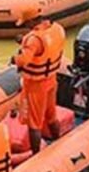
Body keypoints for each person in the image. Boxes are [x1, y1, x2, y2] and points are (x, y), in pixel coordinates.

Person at [14, 10, 66, 154]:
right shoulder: (57, 29)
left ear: (31, 21)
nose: (26, 26)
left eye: (26, 23)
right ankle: (58, 140)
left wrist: (16, 58)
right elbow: (45, 49)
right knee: (51, 114)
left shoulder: (33, 40)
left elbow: (23, 61)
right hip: (51, 79)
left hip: (36, 85)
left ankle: (36, 156)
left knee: (34, 122)